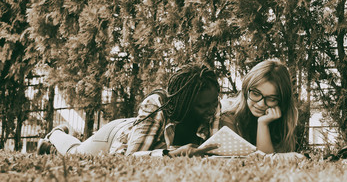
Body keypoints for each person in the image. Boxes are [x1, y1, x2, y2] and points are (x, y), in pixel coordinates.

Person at [37, 63, 221, 157]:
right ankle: (54, 135)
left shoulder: (213, 107)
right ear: (185, 103)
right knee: (75, 153)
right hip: (118, 135)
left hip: (134, 132)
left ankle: (49, 148)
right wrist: (173, 154)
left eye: (213, 103)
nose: (211, 110)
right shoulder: (157, 105)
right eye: (203, 106)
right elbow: (132, 156)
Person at [220, 59, 298, 154]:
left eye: (271, 99)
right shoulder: (229, 118)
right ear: (245, 89)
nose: (261, 104)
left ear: (281, 102)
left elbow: (270, 164)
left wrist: (263, 124)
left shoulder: (284, 122)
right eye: (256, 94)